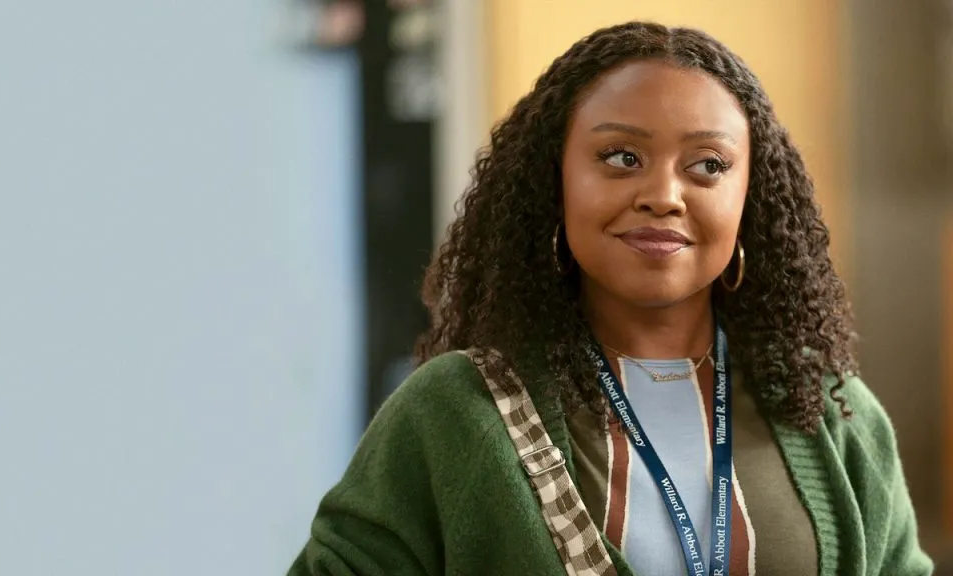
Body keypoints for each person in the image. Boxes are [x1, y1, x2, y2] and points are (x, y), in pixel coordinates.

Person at [289, 21, 933, 576]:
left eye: (708, 165)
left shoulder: (832, 412)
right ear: (556, 182)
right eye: (621, 157)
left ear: (751, 199)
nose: (664, 195)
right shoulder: (453, 412)